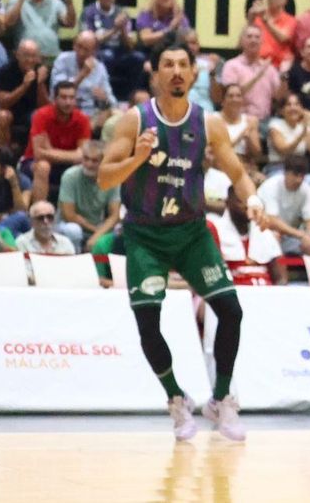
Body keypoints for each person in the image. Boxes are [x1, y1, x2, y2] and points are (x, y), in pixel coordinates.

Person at [97, 43, 261, 443]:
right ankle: (175, 399)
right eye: (167, 65)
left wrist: (253, 198)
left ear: (192, 75)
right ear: (156, 74)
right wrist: (138, 158)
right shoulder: (134, 120)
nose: (175, 71)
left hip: (190, 234)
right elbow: (104, 177)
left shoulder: (209, 123)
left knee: (231, 310)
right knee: (148, 323)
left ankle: (221, 399)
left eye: (182, 65)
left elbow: (238, 173)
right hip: (144, 235)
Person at [23, 81, 92, 222]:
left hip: (66, 165)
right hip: (33, 162)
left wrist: (50, 151)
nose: (68, 102)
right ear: (55, 99)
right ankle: (38, 216)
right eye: (64, 97)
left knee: (89, 166)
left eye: (72, 98)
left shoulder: (82, 119)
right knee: (43, 166)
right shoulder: (41, 115)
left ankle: (81, 217)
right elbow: (38, 154)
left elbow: (83, 155)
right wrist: (72, 156)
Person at [58, 140, 121, 251]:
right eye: (86, 159)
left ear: (103, 161)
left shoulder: (112, 179)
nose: (89, 164)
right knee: (73, 230)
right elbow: (69, 215)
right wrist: (96, 232)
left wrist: (97, 235)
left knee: (120, 230)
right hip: (69, 225)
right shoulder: (70, 176)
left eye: (94, 161)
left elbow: (114, 215)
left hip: (98, 226)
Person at [257, 154, 310, 256]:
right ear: (285, 173)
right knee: (274, 236)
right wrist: (300, 235)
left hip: (290, 235)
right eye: (295, 175)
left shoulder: (306, 189)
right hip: (264, 232)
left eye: (302, 176)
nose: (299, 180)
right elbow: (272, 220)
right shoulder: (271, 186)